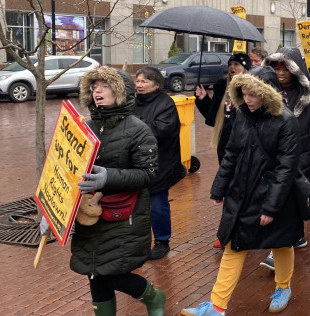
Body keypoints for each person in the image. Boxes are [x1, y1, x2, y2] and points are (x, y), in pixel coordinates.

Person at [181, 67, 302, 316]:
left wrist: (271, 207)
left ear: (267, 93)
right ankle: (217, 306)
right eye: (244, 93)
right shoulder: (241, 115)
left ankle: (283, 286)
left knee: (281, 242)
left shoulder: (286, 121)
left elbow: (285, 169)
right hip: (241, 192)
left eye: (253, 94)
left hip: (274, 195)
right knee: (233, 245)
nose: (247, 99)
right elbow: (231, 154)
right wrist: (219, 187)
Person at [72, 66, 164, 315]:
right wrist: (52, 212)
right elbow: (68, 171)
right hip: (90, 217)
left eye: (105, 86)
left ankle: (153, 297)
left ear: (121, 92)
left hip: (124, 215)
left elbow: (148, 173)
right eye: (93, 87)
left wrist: (108, 178)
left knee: (113, 274)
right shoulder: (85, 128)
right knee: (94, 272)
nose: (97, 91)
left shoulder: (138, 130)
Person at [260, 47, 310, 263]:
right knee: (281, 200)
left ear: (296, 68)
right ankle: (292, 238)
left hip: (305, 159)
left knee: (291, 201)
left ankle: (281, 247)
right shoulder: (267, 93)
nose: (280, 72)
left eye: (286, 67)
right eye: (276, 67)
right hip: (275, 159)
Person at [134, 66, 187, 260]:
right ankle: (140, 241)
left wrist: (133, 124)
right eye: (137, 81)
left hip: (161, 164)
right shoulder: (132, 101)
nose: (139, 85)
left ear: (156, 84)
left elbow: (161, 131)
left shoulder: (166, 104)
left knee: (158, 204)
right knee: (138, 205)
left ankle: (162, 241)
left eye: (144, 81)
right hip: (137, 163)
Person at [194, 53, 251, 163]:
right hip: (225, 141)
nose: (232, 67)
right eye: (230, 64)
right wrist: (203, 98)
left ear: (245, 67)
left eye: (236, 64)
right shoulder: (222, 88)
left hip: (245, 142)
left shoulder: (251, 89)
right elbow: (214, 116)